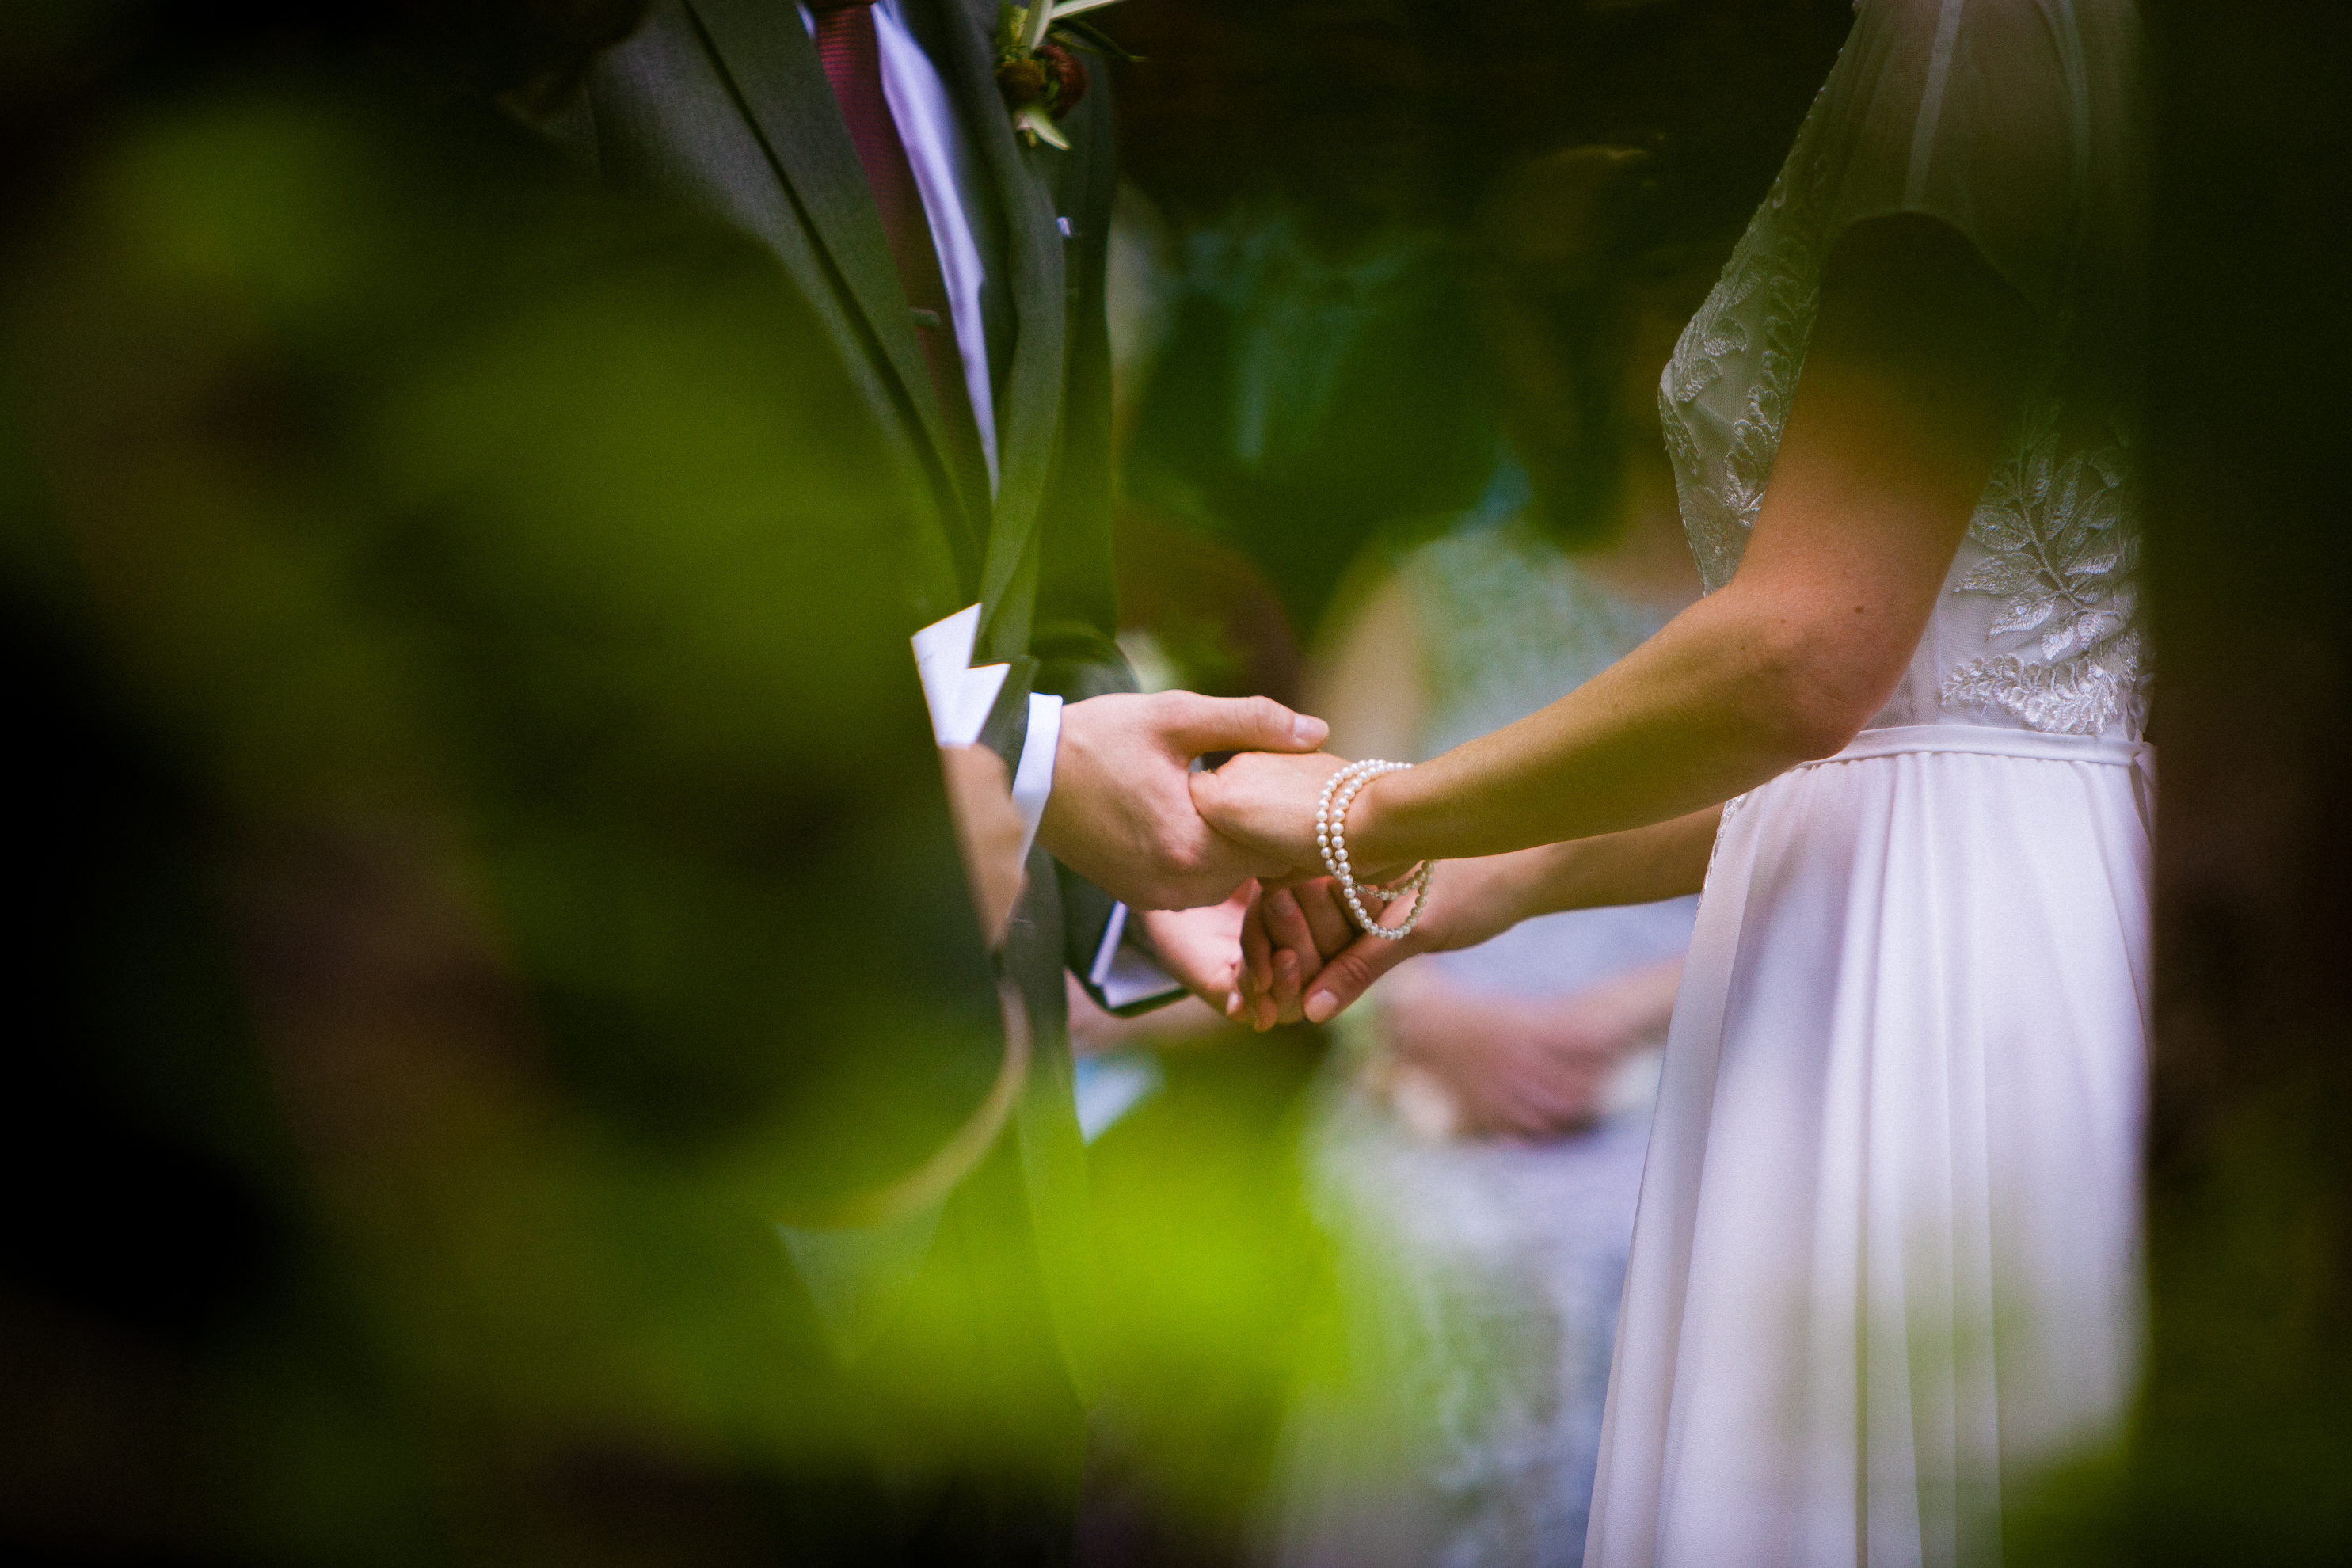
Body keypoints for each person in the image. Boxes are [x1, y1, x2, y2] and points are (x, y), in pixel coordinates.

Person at [1195, 2, 2152, 1562]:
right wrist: (1500, 882)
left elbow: (1804, 659)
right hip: (1943, 893)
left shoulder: (1983, 37)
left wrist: (1371, 815)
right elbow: (1901, 715)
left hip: (1928, 965)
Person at [1262, 144, 1718, 1568]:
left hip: (1701, 1049)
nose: (1690, 343)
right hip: (1432, 1046)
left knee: (1678, 1247)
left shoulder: (1789, 631)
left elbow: (1838, 857)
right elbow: (1309, 852)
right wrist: (1424, 1021)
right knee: (1418, 1234)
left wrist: (1609, 1027)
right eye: (1652, 302)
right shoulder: (1433, 586)